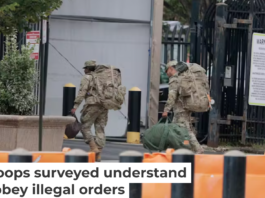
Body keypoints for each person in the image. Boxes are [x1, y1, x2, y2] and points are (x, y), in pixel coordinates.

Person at [162, 60, 204, 154]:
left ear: (171, 69)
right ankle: (172, 150)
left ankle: (198, 149)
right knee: (174, 129)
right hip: (184, 108)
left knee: (186, 129)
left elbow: (172, 96)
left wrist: (166, 110)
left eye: (166, 71)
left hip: (180, 110)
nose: (166, 73)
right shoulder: (182, 78)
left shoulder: (174, 79)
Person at [71, 60, 108, 162]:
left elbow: (82, 92)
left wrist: (75, 105)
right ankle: (98, 155)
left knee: (84, 126)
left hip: (92, 105)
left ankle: (93, 148)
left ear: (87, 69)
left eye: (85, 68)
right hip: (104, 105)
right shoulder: (102, 78)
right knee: (100, 129)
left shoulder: (87, 78)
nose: (84, 70)